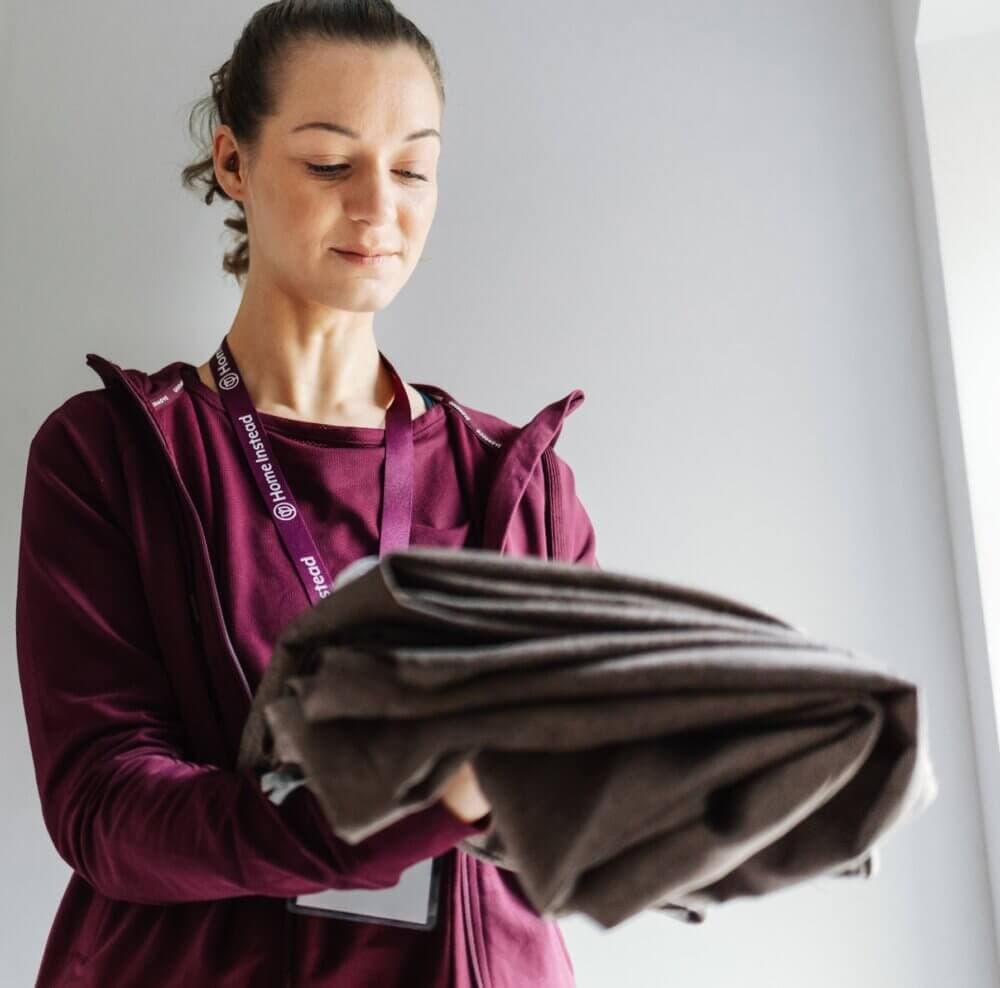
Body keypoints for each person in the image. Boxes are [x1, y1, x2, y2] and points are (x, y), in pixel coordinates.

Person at [15, 2, 599, 985]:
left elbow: (576, 818)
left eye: (413, 168)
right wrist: (408, 806)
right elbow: (105, 807)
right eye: (331, 163)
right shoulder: (106, 454)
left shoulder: (518, 484)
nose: (381, 207)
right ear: (235, 164)